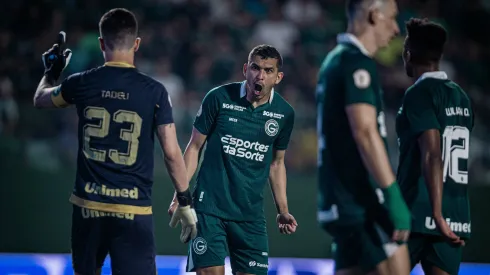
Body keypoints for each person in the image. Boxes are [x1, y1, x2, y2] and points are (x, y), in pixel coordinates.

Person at [33, 8, 197, 275]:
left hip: (88, 210)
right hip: (133, 210)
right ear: (137, 43)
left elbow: (40, 99)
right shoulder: (154, 91)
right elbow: (171, 152)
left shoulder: (81, 82)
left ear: (101, 43)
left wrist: (52, 71)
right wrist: (185, 200)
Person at [169, 44, 297, 275]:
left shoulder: (284, 114)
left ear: (278, 77)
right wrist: (181, 194)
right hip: (209, 210)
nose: (260, 75)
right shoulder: (218, 98)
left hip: (250, 217)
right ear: (245, 69)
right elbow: (195, 147)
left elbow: (277, 163)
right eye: (256, 68)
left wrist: (283, 210)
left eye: (268, 71)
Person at [315, 0, 412, 274]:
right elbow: (366, 132)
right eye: (392, 18)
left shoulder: (335, 60)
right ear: (373, 14)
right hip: (361, 203)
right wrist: (393, 196)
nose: (395, 29)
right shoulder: (355, 62)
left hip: (342, 200)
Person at [396, 18, 474, 275]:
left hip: (417, 212)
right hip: (454, 216)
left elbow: (432, 153)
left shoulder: (419, 93)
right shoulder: (460, 96)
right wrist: (444, 217)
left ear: (408, 54)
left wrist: (436, 214)